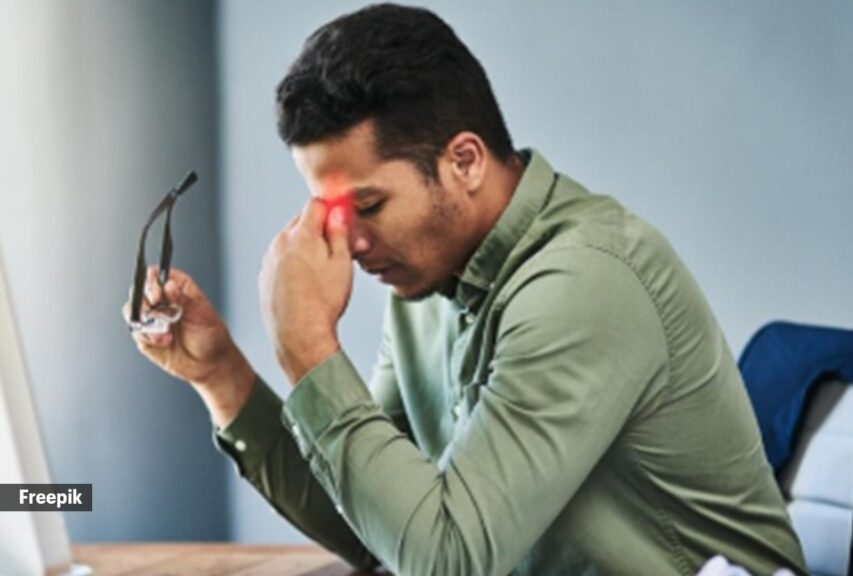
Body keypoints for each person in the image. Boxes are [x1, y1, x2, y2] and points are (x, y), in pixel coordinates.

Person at [126, 4, 807, 575]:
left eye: (369, 205)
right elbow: (378, 527)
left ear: (465, 161)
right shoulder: (426, 287)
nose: (350, 243)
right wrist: (223, 376)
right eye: (330, 212)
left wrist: (307, 347)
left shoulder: (584, 282)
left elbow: (448, 560)